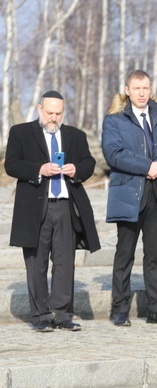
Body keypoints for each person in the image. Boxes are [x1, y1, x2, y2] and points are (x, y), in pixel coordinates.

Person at [5, 90, 101, 332]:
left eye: (58, 113)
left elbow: (89, 163)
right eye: (49, 113)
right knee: (36, 264)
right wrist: (40, 169)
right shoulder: (20, 132)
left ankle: (62, 314)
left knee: (65, 263)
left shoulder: (75, 136)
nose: (54, 118)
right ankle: (40, 316)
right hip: (36, 208)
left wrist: (75, 169)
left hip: (66, 207)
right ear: (39, 109)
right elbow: (11, 164)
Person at [102, 69, 157, 326]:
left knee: (154, 256)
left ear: (151, 89)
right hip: (129, 193)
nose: (141, 93)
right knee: (124, 254)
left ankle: (155, 309)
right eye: (136, 88)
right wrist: (146, 166)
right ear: (127, 90)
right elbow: (113, 153)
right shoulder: (114, 120)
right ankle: (120, 309)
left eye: (145, 88)